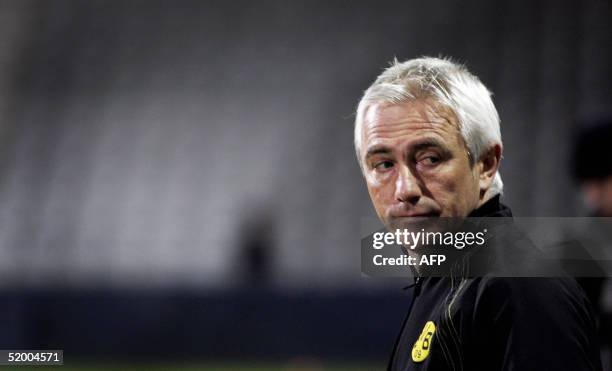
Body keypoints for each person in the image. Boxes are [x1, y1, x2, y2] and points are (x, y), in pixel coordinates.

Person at [354, 57, 602, 370]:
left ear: (485, 164)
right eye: (383, 164)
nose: (405, 189)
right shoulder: (451, 278)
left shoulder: (518, 290)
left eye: (429, 158)